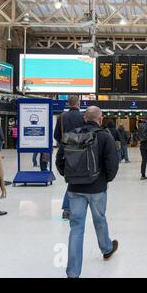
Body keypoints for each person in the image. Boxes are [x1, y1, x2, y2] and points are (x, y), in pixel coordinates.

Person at [56, 106, 119, 278]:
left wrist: (70, 176)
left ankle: (73, 273)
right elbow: (112, 163)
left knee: (76, 228)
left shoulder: (71, 135)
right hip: (97, 187)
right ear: (100, 118)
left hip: (75, 188)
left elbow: (59, 160)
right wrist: (106, 180)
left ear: (85, 118)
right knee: (100, 219)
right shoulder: (105, 136)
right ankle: (106, 248)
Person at [54, 95, 85, 220]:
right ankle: (69, 208)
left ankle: (67, 209)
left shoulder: (62, 116)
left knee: (72, 179)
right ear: (78, 103)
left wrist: (64, 144)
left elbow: (56, 135)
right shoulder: (83, 116)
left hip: (67, 151)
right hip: (82, 151)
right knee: (76, 180)